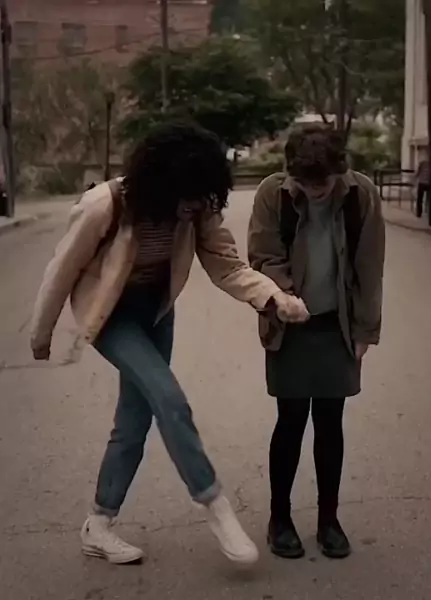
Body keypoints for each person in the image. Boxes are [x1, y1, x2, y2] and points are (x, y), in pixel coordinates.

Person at [30, 122, 309, 566]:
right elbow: (61, 269)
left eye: (202, 198)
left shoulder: (197, 208)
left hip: (156, 311)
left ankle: (98, 524)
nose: (194, 207)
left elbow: (227, 265)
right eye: (186, 197)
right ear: (161, 183)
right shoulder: (106, 205)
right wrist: (41, 334)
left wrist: (273, 297)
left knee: (134, 420)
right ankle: (214, 502)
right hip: (111, 315)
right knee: (169, 399)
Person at [248, 123, 385, 561]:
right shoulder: (273, 195)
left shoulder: (361, 195)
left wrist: (365, 330)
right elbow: (263, 257)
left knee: (330, 421)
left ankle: (329, 520)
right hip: (290, 325)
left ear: (339, 170)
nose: (316, 191)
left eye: (322, 183)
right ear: (293, 174)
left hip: (336, 325)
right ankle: (280, 518)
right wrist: (285, 299)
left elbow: (370, 266)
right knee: (290, 420)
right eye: (306, 184)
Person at [414, 151, 430, 218]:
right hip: (429, 183)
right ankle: (428, 211)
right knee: (429, 198)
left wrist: (414, 178)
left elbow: (417, 173)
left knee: (419, 199)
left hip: (421, 182)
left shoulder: (422, 164)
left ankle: (419, 213)